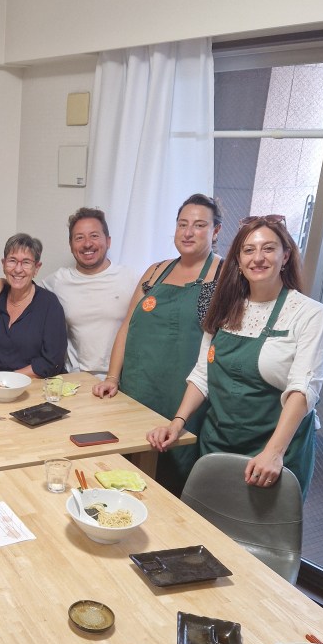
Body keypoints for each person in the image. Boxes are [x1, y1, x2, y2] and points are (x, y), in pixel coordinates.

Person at [147, 216, 323, 498]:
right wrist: (177, 422)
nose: (258, 258)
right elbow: (202, 374)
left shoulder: (309, 313)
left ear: (285, 256)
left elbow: (303, 389)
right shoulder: (225, 308)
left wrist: (273, 453)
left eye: (268, 248)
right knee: (206, 520)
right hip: (217, 444)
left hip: (273, 455)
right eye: (249, 250)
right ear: (239, 261)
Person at [92, 194, 224, 494]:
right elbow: (127, 326)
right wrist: (112, 377)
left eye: (199, 225)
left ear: (215, 231)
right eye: (182, 224)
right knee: (123, 475)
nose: (188, 232)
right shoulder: (155, 272)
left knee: (171, 481)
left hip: (182, 398)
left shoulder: (224, 276)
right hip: (136, 391)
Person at [0, 207, 136, 378]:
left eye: (94, 236)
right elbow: (24, 285)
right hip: (74, 378)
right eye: (79, 237)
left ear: (108, 241)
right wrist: (3, 282)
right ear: (71, 245)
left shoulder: (131, 280)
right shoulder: (58, 281)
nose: (87, 244)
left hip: (118, 377)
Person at [0, 233, 67, 378]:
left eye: (26, 262)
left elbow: (52, 361)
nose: (18, 269)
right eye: (12, 261)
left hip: (34, 384)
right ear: (3, 264)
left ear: (36, 268)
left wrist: (10, 379)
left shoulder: (50, 305)